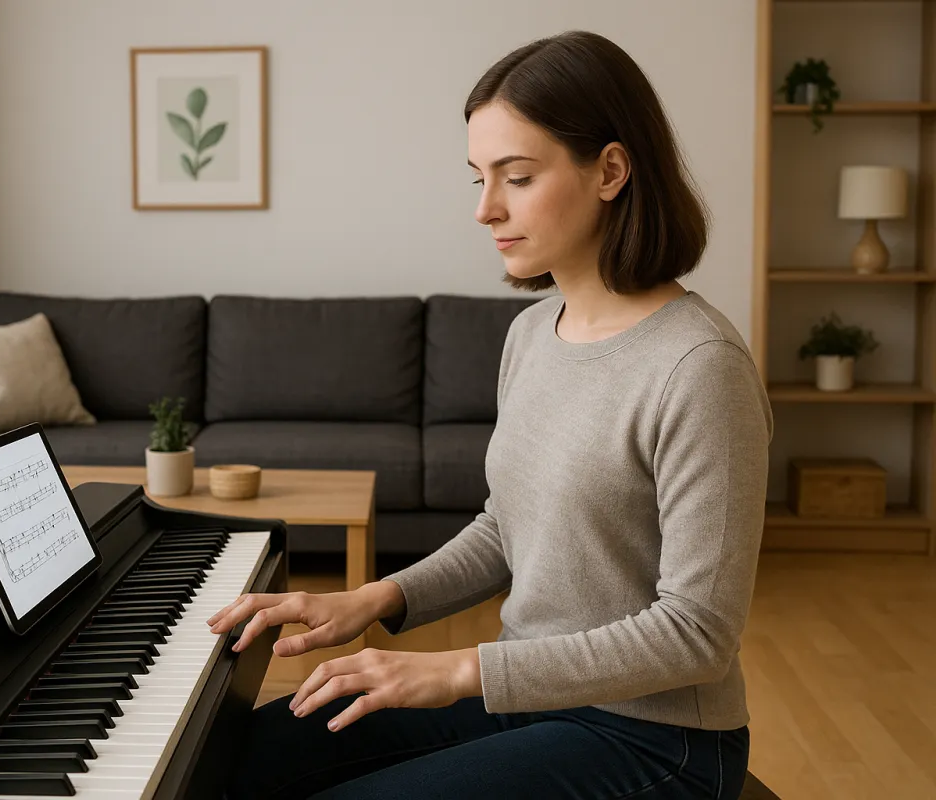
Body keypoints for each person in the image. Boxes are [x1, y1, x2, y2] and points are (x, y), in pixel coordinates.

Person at [209, 29, 772, 800]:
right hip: (532, 698)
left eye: (517, 176)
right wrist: (370, 600)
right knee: (234, 758)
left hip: (654, 738)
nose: (486, 209)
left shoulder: (701, 368)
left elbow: (698, 635)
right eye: (478, 177)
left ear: (611, 169)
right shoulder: (533, 332)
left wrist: (455, 670)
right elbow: (508, 524)